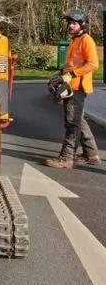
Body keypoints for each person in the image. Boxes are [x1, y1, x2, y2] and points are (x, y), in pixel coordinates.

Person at [46, 9, 101, 168]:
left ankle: (66, 158)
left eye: (74, 23)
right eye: (69, 23)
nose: (70, 25)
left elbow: (93, 64)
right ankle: (91, 154)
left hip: (77, 87)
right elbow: (72, 63)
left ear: (82, 25)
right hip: (70, 85)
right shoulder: (74, 40)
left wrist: (72, 75)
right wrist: (61, 73)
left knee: (72, 123)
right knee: (79, 120)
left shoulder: (86, 40)